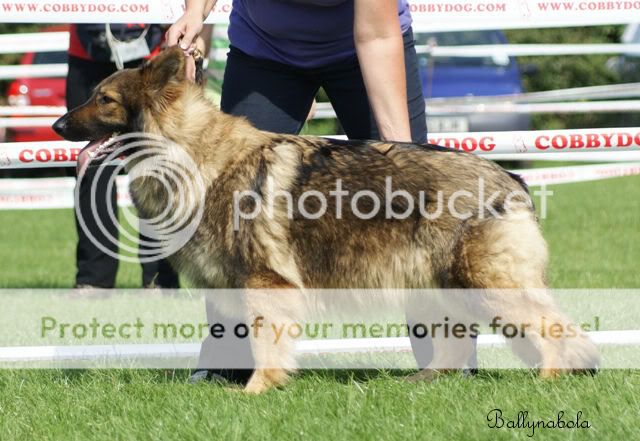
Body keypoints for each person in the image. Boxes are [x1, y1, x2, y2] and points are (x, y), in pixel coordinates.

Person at [167, 0, 431, 384]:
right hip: (265, 51)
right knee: (230, 210)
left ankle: (448, 358)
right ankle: (228, 360)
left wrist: (402, 156)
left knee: (417, 207)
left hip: (365, 46)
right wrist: (195, 13)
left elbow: (375, 34)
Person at [66, 23, 180, 289]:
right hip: (88, 49)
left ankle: (160, 281)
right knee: (92, 169)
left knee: (158, 171)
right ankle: (93, 282)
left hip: (152, 49)